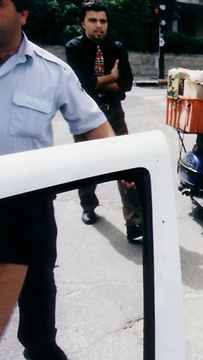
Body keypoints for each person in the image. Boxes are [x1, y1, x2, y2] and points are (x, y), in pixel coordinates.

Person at [0, 0, 115, 358]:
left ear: (22, 14)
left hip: (27, 213)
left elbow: (93, 125)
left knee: (38, 326)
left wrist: (129, 169)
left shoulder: (52, 72)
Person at [65, 1, 143, 241]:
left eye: (103, 21)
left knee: (126, 165)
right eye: (93, 20)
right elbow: (80, 84)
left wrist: (98, 81)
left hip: (113, 112)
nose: (99, 26)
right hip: (85, 115)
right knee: (87, 165)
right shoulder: (74, 47)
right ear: (83, 23)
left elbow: (127, 83)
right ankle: (88, 206)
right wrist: (111, 77)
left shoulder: (117, 48)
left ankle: (135, 222)